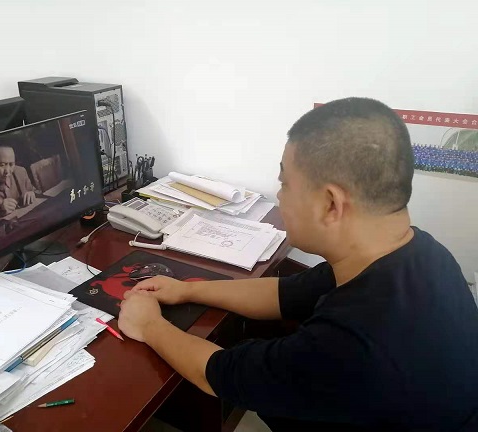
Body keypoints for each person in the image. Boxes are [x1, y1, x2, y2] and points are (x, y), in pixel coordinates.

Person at [118, 98, 478, 431]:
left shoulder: (352, 344)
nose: (279, 196)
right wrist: (187, 290)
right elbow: (285, 293)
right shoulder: (421, 253)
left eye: (285, 184)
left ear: (331, 204)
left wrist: (149, 325)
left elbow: (216, 374)